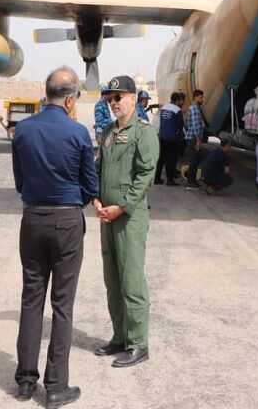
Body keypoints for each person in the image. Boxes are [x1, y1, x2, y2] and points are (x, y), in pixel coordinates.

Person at [11, 66, 97, 407]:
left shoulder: (23, 131)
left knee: (31, 299)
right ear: (71, 98)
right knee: (62, 306)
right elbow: (90, 186)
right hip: (66, 222)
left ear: (46, 94)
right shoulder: (77, 133)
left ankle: (25, 380)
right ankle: (56, 385)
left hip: (32, 219)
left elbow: (19, 183)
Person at [93, 75, 158, 368]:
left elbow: (146, 175)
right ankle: (119, 336)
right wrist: (95, 198)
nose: (113, 102)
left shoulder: (143, 133)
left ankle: (138, 343)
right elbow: (98, 168)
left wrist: (122, 207)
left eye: (118, 97)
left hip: (129, 218)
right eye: (110, 98)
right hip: (107, 216)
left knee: (131, 280)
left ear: (133, 99)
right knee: (112, 280)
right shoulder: (107, 131)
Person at [153, 92, 185, 186]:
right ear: (177, 100)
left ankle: (156, 178)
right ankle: (170, 180)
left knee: (161, 158)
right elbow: (180, 125)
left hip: (162, 136)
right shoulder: (177, 110)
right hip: (172, 138)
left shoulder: (164, 108)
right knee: (171, 159)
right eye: (180, 100)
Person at [184, 89, 205, 189]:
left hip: (191, 137)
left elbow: (188, 124)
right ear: (195, 97)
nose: (202, 100)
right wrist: (198, 141)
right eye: (200, 98)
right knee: (194, 160)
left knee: (195, 160)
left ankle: (192, 181)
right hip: (193, 138)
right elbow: (196, 126)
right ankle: (190, 182)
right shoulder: (195, 109)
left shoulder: (192, 107)